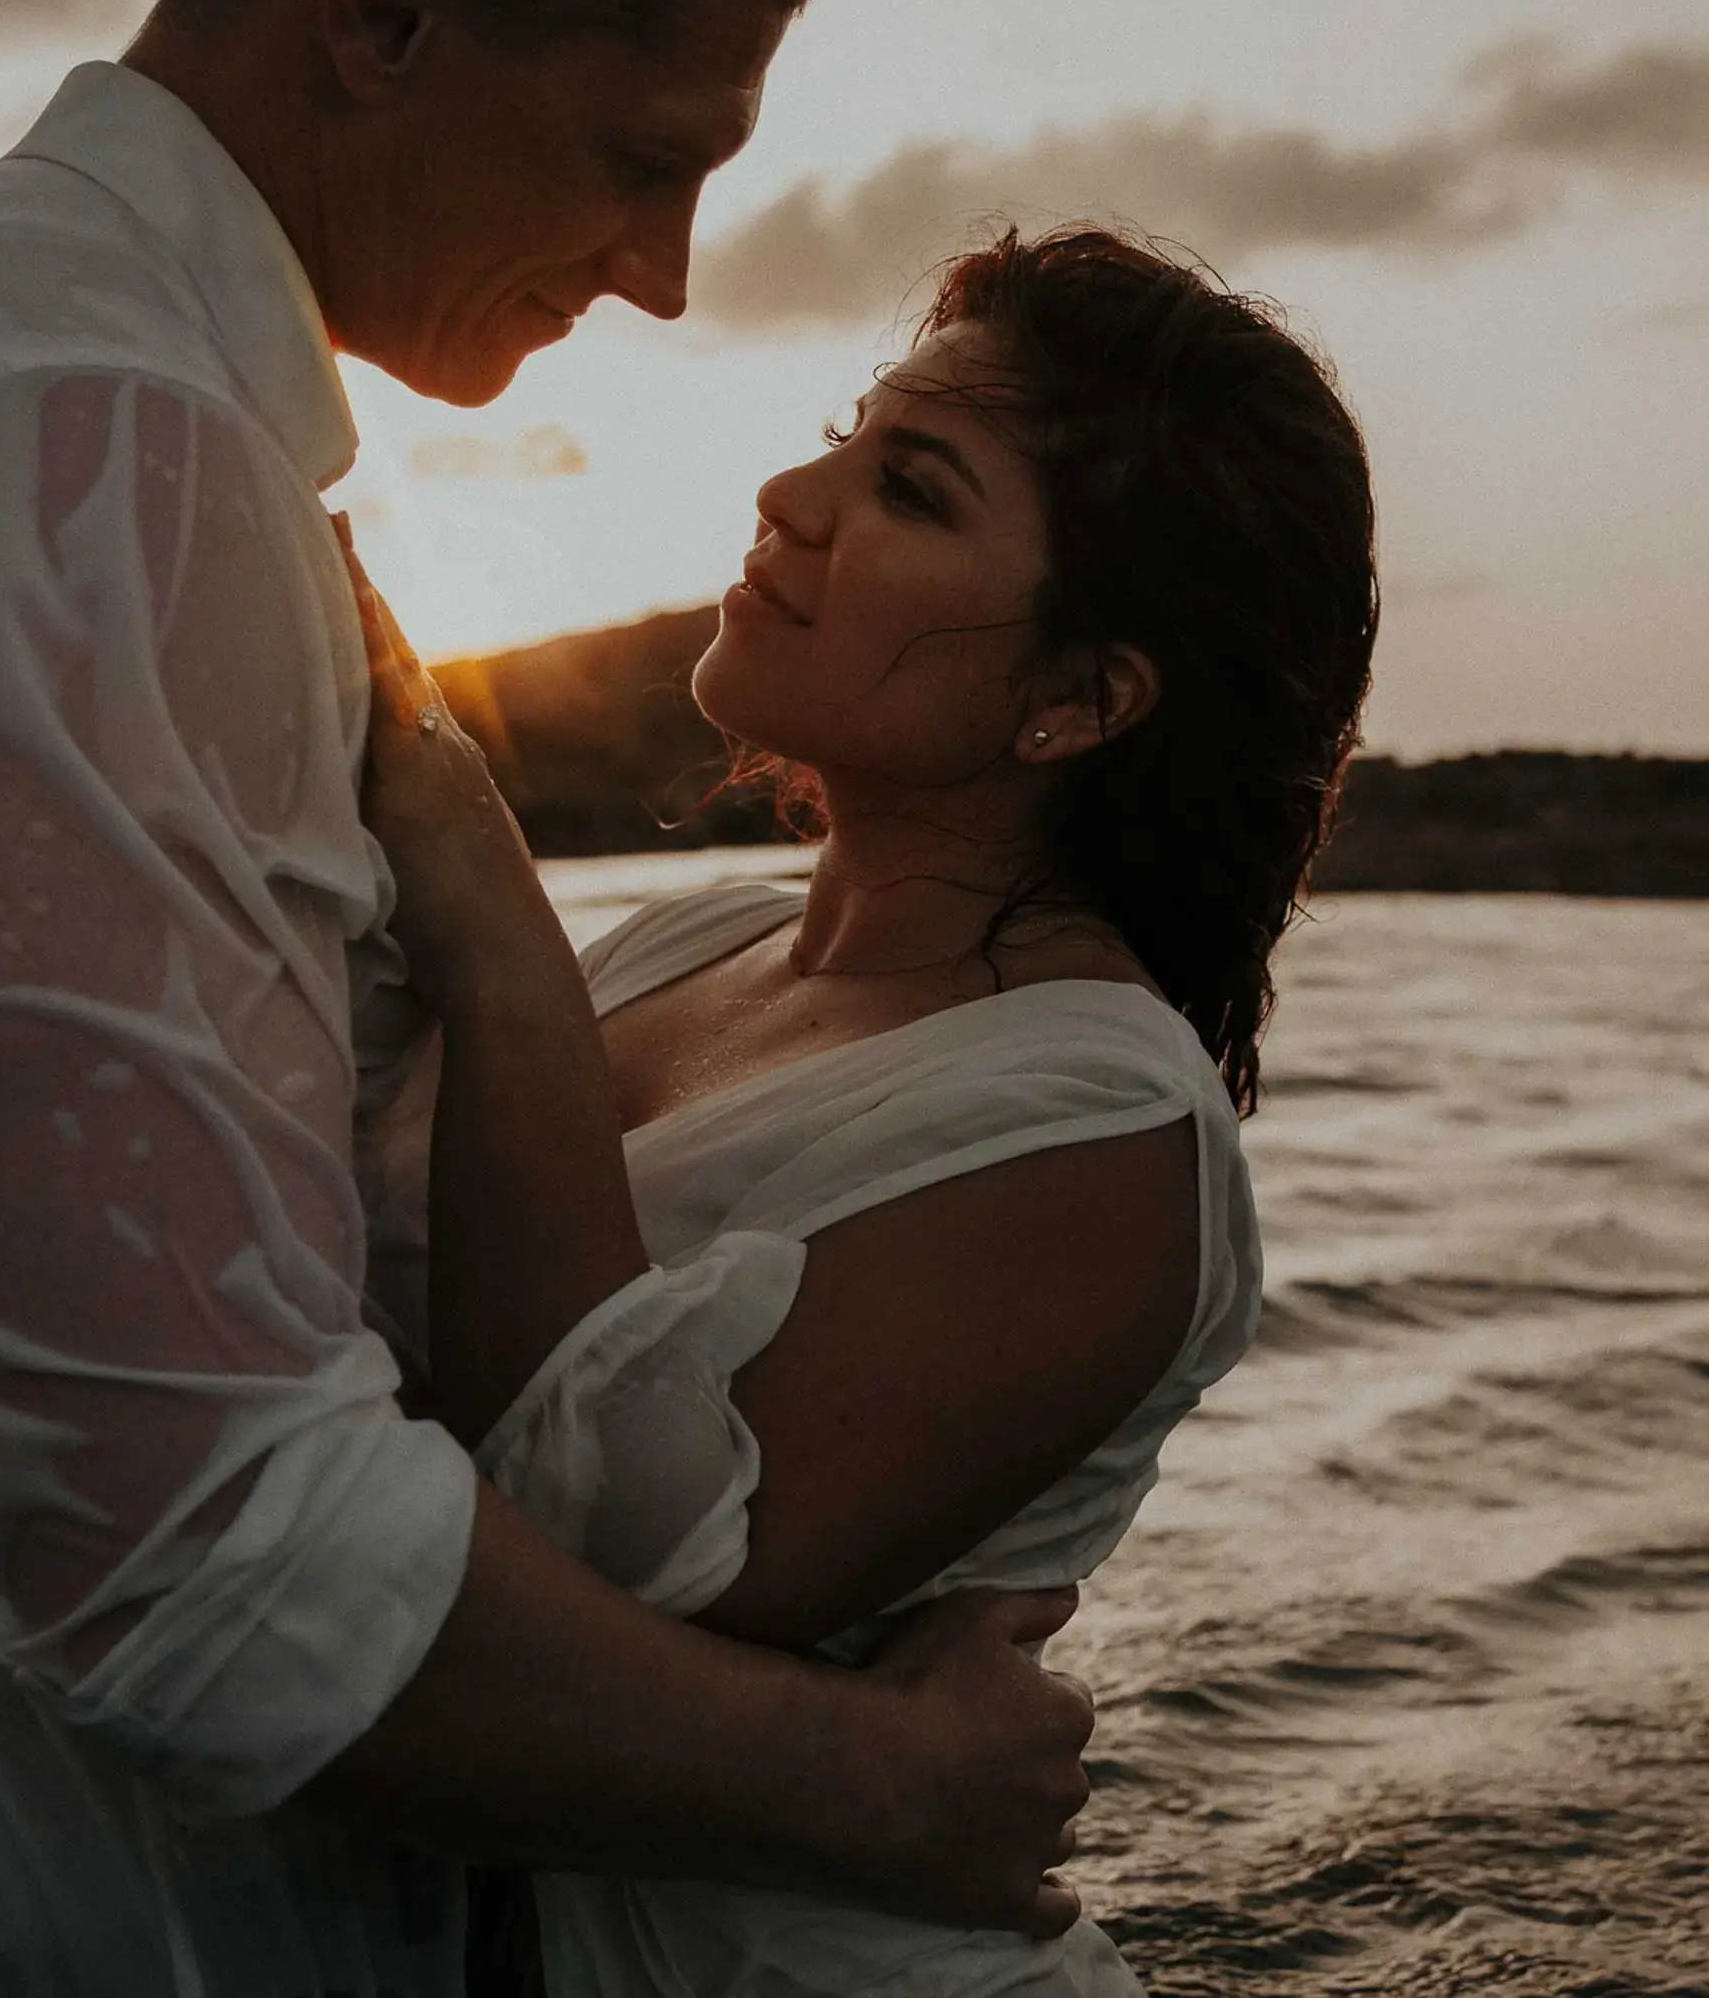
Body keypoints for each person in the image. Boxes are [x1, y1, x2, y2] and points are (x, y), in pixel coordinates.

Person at [0, 0, 1098, 1993]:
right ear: (384, 15)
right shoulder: (84, 438)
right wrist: (878, 1787)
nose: (665, 274)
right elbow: (188, 1551)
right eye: (649, 159)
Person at [346, 224, 1382, 1994]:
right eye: (846, 431)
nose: (790, 489)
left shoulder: (1102, 1125)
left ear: (1078, 700)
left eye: (908, 484)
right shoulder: (698, 943)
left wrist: (484, 900)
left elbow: (609, 1572)